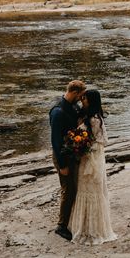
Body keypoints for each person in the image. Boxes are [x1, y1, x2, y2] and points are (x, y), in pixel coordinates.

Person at [69, 89, 116, 245]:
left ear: (91, 100)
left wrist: (84, 145)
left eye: (85, 98)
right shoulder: (90, 117)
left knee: (91, 190)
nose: (83, 100)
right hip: (87, 159)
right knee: (84, 190)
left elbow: (101, 141)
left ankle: (92, 230)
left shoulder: (95, 120)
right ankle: (84, 227)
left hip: (91, 160)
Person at [49, 80, 87, 241]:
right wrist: (62, 164)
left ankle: (68, 219)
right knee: (68, 189)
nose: (81, 98)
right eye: (80, 95)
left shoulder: (72, 106)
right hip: (62, 156)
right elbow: (55, 141)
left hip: (71, 153)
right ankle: (61, 226)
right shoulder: (57, 111)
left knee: (71, 188)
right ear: (74, 92)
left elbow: (77, 119)